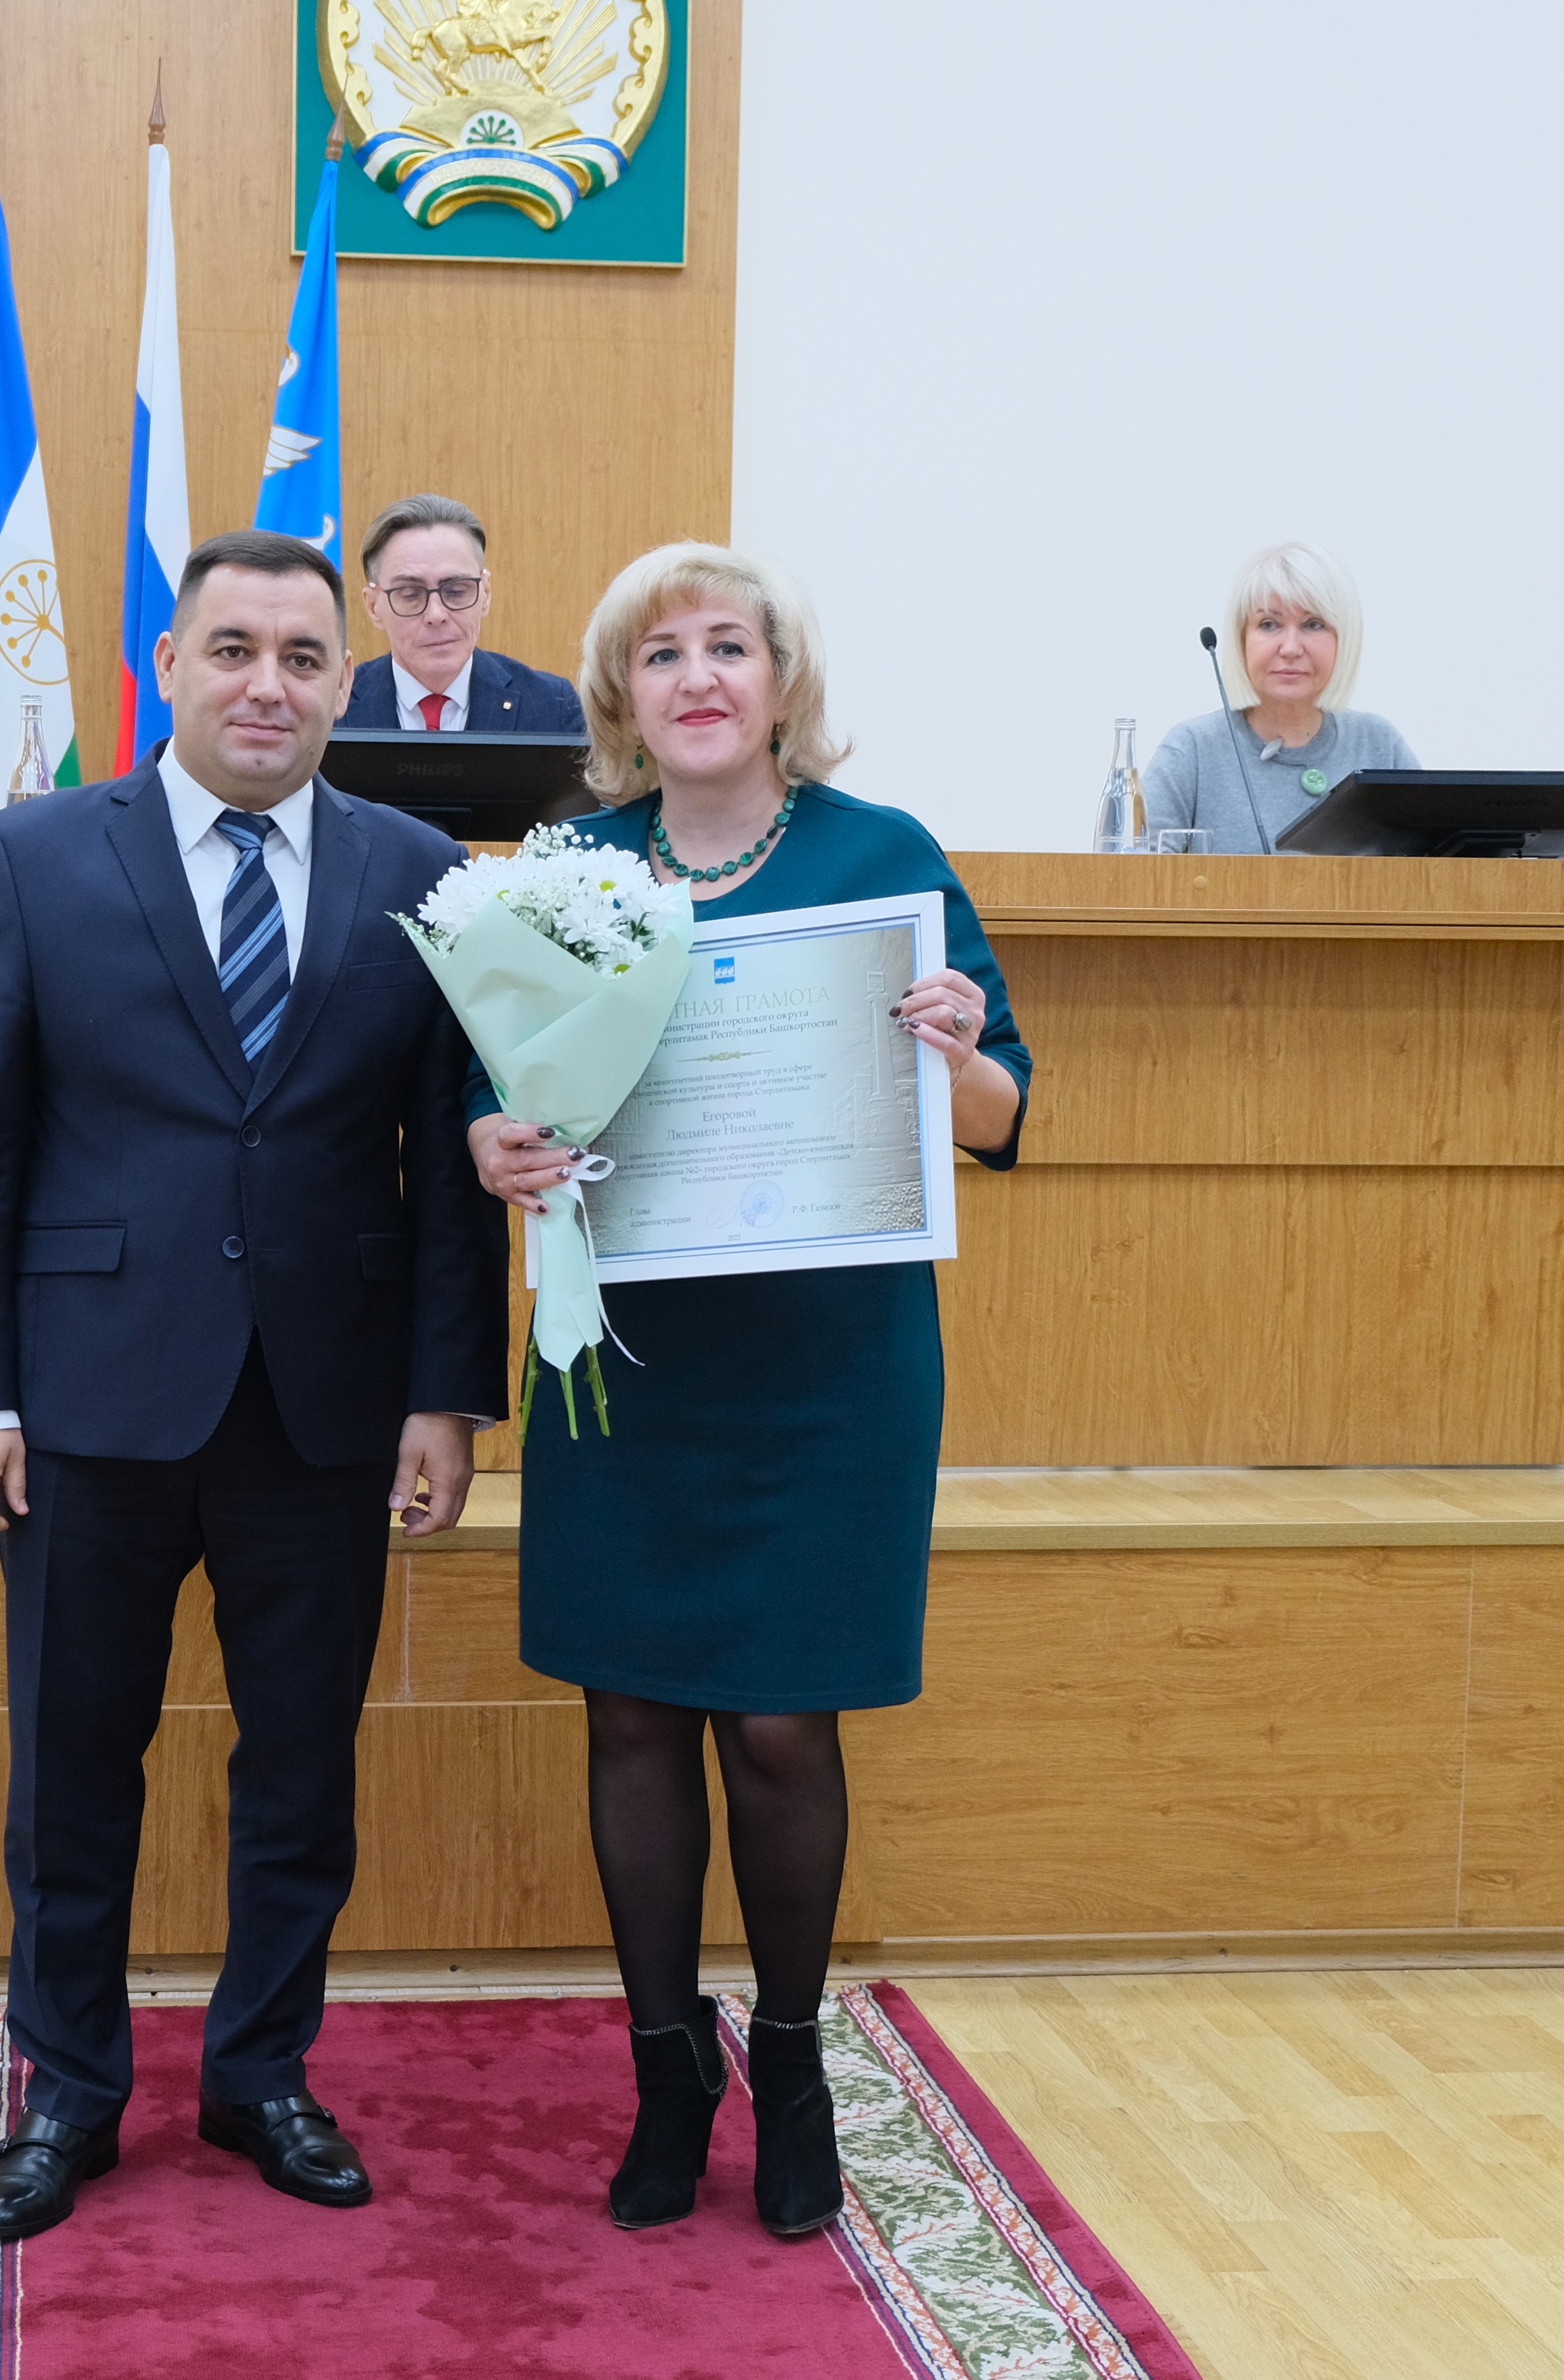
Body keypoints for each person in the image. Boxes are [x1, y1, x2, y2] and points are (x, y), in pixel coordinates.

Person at [0, 527, 509, 2244]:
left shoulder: (419, 868)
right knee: (71, 1771)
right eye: (232, 648)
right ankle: (69, 2089)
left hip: (326, 1406)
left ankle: (261, 2072)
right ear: (166, 665)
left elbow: (446, 1159)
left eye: (303, 657)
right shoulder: (35, 853)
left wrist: (445, 1391)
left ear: (345, 679)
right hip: (84, 1400)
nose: (267, 684)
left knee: (301, 1768)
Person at [467, 543, 1032, 2239]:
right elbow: (495, 1094)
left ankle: (788, 2064)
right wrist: (499, 1145)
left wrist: (955, 1054)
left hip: (827, 1372)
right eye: (662, 655)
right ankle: (667, 2071)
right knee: (632, 1715)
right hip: (628, 1365)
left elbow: (1004, 1116)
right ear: (619, 697)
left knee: (783, 1721)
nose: (698, 676)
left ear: (781, 679)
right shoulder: (567, 872)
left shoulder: (885, 856)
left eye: (729, 645)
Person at [1144, 540, 1418, 853]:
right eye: (1269, 625)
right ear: (1242, 639)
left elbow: (1436, 867)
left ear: (1344, 639)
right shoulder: (1191, 750)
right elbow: (1134, 872)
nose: (1290, 648)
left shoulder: (1379, 746)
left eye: (1313, 625)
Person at [339, 493, 588, 736]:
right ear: (373, 607)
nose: (436, 614)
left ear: (485, 594)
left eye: (456, 591)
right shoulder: (335, 709)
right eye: (411, 595)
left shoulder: (553, 707)